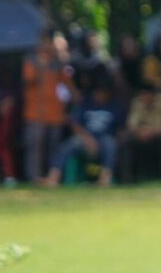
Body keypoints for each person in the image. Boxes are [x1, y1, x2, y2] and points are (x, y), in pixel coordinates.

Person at [44, 79, 123, 186]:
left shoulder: (114, 106)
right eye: (98, 92)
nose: (101, 95)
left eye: (103, 92)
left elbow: (120, 128)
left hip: (105, 138)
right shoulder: (86, 105)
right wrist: (88, 140)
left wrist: (116, 139)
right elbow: (75, 124)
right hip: (85, 137)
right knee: (67, 145)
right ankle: (53, 177)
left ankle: (105, 179)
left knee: (111, 144)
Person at [21, 32, 72, 182]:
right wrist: (40, 65)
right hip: (35, 113)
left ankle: (52, 176)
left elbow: (67, 84)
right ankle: (34, 176)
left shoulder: (58, 63)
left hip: (55, 114)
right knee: (35, 145)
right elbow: (28, 80)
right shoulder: (31, 61)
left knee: (53, 146)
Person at [122, 82, 161, 185]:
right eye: (142, 95)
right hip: (144, 136)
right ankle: (127, 178)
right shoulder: (137, 102)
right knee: (126, 139)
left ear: (153, 95)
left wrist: (152, 132)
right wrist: (140, 131)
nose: (144, 98)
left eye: (146, 95)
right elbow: (131, 125)